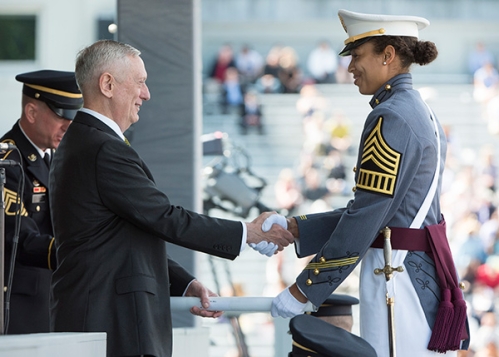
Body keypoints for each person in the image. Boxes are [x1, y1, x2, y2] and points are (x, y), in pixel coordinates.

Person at [48, 39, 293, 357]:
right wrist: (248, 232)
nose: (146, 94)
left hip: (100, 318)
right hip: (112, 324)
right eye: (140, 82)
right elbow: (165, 217)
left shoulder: (85, 142)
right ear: (107, 84)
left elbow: (122, 240)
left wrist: (184, 283)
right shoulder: (102, 148)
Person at [267, 9, 470, 356]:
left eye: (358, 56)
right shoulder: (420, 110)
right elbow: (380, 210)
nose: (349, 67)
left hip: (396, 274)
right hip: (416, 273)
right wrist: (295, 228)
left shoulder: (389, 116)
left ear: (387, 55)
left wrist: (305, 289)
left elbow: (367, 216)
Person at [0, 70, 83, 334]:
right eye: (61, 115)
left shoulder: (53, 159)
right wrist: (84, 254)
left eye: (73, 117)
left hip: (50, 302)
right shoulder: (7, 162)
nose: (68, 126)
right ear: (32, 112)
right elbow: (21, 240)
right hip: (17, 308)